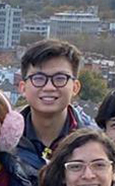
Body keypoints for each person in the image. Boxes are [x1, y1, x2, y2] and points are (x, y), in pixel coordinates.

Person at [13, 39, 97, 174]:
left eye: (60, 78)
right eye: (39, 78)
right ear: (22, 87)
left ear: (75, 87)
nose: (49, 87)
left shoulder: (94, 143)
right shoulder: (4, 140)